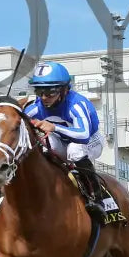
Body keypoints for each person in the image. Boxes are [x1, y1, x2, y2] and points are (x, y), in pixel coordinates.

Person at [25, 61, 107, 218]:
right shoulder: (37, 107)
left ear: (63, 90)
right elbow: (18, 120)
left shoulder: (76, 104)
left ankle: (97, 198)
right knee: (42, 143)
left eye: (50, 93)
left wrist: (54, 127)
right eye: (40, 92)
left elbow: (83, 135)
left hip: (91, 142)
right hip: (64, 141)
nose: (44, 98)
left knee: (74, 150)